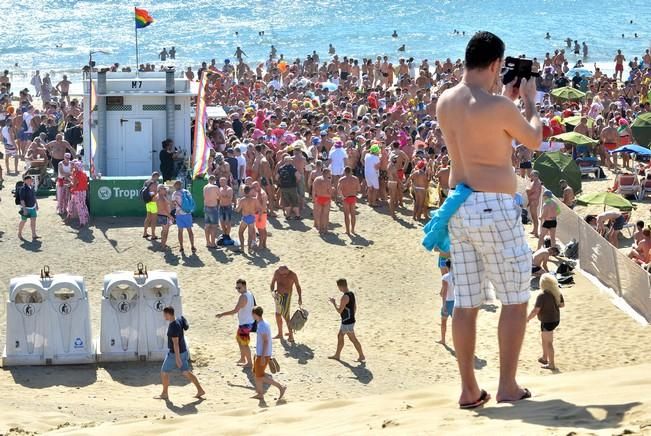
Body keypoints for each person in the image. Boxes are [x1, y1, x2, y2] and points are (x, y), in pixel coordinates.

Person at [437, 32, 542, 408]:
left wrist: (507, 102)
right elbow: (532, 139)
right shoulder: (498, 106)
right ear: (497, 64)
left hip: (459, 204)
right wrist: (529, 103)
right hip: (494, 206)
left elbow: (481, 134)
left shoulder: (446, 100)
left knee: (466, 302)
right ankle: (508, 386)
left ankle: (468, 389)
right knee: (514, 299)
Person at [156, 306, 205, 400]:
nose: (164, 317)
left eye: (164, 315)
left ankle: (164, 394)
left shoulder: (173, 327)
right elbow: (186, 326)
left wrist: (177, 358)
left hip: (175, 354)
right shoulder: (179, 319)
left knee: (164, 372)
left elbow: (175, 344)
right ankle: (200, 390)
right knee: (186, 372)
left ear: (168, 314)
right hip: (184, 351)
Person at [527, 274, 564, 371]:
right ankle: (544, 358)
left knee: (548, 342)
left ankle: (551, 364)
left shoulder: (542, 295)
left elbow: (535, 310)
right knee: (544, 338)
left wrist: (527, 319)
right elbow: (562, 305)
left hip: (548, 321)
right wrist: (552, 306)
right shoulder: (557, 292)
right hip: (555, 319)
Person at [216, 279, 255, 368]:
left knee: (245, 344)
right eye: (236, 288)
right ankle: (243, 358)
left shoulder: (243, 297)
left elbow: (235, 311)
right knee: (238, 339)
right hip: (247, 322)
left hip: (245, 324)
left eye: (239, 288)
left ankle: (249, 363)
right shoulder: (250, 293)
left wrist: (222, 314)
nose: (237, 290)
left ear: (244, 286)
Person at [251, 306, 287, 402]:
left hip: (263, 354)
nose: (251, 315)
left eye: (252, 314)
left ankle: (281, 387)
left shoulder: (262, 325)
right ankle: (260, 394)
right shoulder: (263, 323)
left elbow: (266, 341)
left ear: (255, 314)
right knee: (256, 374)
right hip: (260, 353)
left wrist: (262, 356)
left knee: (260, 376)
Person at [328, 278, 365, 362]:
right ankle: (337, 355)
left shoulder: (344, 297)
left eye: (338, 287)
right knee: (340, 336)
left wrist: (334, 303)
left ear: (340, 286)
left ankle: (361, 356)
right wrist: (351, 316)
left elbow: (339, 311)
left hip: (347, 322)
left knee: (352, 339)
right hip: (350, 320)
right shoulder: (351, 294)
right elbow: (355, 307)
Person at [270, 266, 303, 343]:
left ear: (288, 270)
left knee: (286, 316)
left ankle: (291, 336)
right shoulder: (277, 273)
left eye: (285, 273)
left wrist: (300, 297)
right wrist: (272, 292)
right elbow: (272, 283)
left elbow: (297, 286)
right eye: (282, 274)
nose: (284, 275)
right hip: (278, 296)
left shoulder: (292, 275)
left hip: (286, 297)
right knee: (277, 314)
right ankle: (280, 333)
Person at [172, 180, 196, 254]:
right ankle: (192, 246)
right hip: (188, 213)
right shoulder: (187, 192)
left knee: (180, 231)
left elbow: (173, 204)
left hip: (179, 214)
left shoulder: (175, 194)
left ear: (176, 186)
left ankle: (181, 247)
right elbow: (191, 201)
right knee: (190, 231)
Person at [235, 185, 261, 253]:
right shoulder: (254, 199)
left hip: (245, 218)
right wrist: (257, 215)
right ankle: (249, 249)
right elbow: (259, 209)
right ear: (250, 191)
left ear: (244, 192)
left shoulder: (242, 200)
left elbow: (237, 210)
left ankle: (242, 248)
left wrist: (236, 206)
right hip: (252, 218)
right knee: (250, 235)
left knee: (240, 232)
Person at [337, 166, 361, 235]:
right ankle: (353, 230)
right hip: (353, 197)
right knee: (353, 214)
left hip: (346, 198)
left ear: (344, 172)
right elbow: (359, 189)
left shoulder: (342, 179)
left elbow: (338, 190)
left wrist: (342, 197)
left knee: (346, 215)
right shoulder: (355, 179)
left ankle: (347, 231)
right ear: (351, 171)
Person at [277, 156, 301, 220]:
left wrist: (281, 183)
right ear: (290, 161)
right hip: (292, 187)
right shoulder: (293, 168)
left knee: (286, 202)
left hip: (284, 187)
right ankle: (297, 215)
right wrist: (296, 182)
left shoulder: (281, 168)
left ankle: (288, 216)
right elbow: (298, 177)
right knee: (295, 201)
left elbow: (276, 177)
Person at [67, 161, 89, 227]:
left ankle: (82, 222)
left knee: (80, 207)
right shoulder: (84, 173)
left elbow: (75, 183)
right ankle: (85, 219)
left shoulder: (77, 174)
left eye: (75, 166)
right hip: (83, 191)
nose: (74, 167)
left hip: (77, 192)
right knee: (81, 205)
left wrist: (69, 185)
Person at [18, 175, 39, 241]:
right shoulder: (22, 189)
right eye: (28, 180)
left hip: (33, 207)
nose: (30, 181)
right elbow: (22, 200)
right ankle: (19, 233)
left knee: (33, 221)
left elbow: (34, 196)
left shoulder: (32, 187)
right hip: (26, 208)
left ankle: (34, 234)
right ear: (24, 181)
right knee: (23, 221)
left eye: (30, 180)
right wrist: (24, 209)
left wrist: (37, 205)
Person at [312, 168, 333, 235]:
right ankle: (326, 229)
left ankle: (320, 229)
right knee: (326, 215)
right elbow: (329, 191)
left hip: (318, 197)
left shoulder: (316, 179)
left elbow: (314, 189)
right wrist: (333, 190)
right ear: (326, 173)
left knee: (320, 214)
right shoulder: (328, 181)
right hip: (326, 198)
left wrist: (314, 197)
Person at [438, 260, 455, 346]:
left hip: (448, 302)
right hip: (456, 302)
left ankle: (443, 340)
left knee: (444, 321)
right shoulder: (457, 277)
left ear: (447, 267)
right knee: (456, 324)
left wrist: (444, 305)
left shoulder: (445, 277)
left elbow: (444, 292)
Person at [203, 175, 220, 248]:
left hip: (206, 207)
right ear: (214, 180)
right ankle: (213, 243)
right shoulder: (215, 187)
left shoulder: (205, 187)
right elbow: (219, 197)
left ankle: (208, 242)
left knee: (207, 225)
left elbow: (204, 197)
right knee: (214, 226)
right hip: (213, 207)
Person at [142, 172, 160, 240]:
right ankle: (153, 235)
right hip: (153, 203)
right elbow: (156, 193)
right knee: (154, 219)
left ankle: (145, 233)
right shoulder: (155, 184)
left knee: (148, 217)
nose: (158, 178)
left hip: (148, 202)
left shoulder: (146, 182)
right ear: (155, 176)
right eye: (157, 177)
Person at [156, 185, 173, 251]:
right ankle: (163, 246)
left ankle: (163, 244)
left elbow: (169, 204)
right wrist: (170, 216)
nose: (165, 190)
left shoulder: (162, 196)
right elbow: (163, 210)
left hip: (163, 216)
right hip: (164, 216)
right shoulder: (160, 198)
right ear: (160, 190)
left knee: (164, 230)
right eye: (164, 189)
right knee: (165, 231)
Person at [526, 171, 542, 237]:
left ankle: (536, 232)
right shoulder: (534, 182)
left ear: (536, 176)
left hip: (534, 201)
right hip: (532, 201)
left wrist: (527, 189)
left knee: (535, 217)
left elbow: (530, 191)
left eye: (532, 175)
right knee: (533, 216)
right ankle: (534, 230)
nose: (531, 176)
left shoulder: (537, 183)